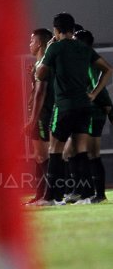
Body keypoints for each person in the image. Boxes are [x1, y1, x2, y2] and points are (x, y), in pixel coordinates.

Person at [36, 12, 112, 205]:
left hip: (64, 106)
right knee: (80, 150)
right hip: (84, 107)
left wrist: (48, 50)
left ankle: (51, 197)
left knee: (55, 150)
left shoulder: (56, 48)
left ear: (56, 29)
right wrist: (94, 94)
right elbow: (108, 69)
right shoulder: (83, 48)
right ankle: (85, 195)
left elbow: (40, 74)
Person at [74, 29, 113, 203]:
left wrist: (96, 97)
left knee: (92, 153)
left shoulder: (88, 61)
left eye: (75, 41)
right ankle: (92, 194)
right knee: (87, 152)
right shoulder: (85, 61)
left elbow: (98, 82)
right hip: (94, 110)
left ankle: (97, 194)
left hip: (94, 111)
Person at [24, 28, 54, 205]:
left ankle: (48, 196)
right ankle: (40, 195)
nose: (30, 44)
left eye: (32, 40)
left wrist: (32, 119)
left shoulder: (43, 64)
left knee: (43, 156)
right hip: (40, 114)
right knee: (39, 156)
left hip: (42, 115)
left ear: (40, 43)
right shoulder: (38, 64)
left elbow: (40, 94)